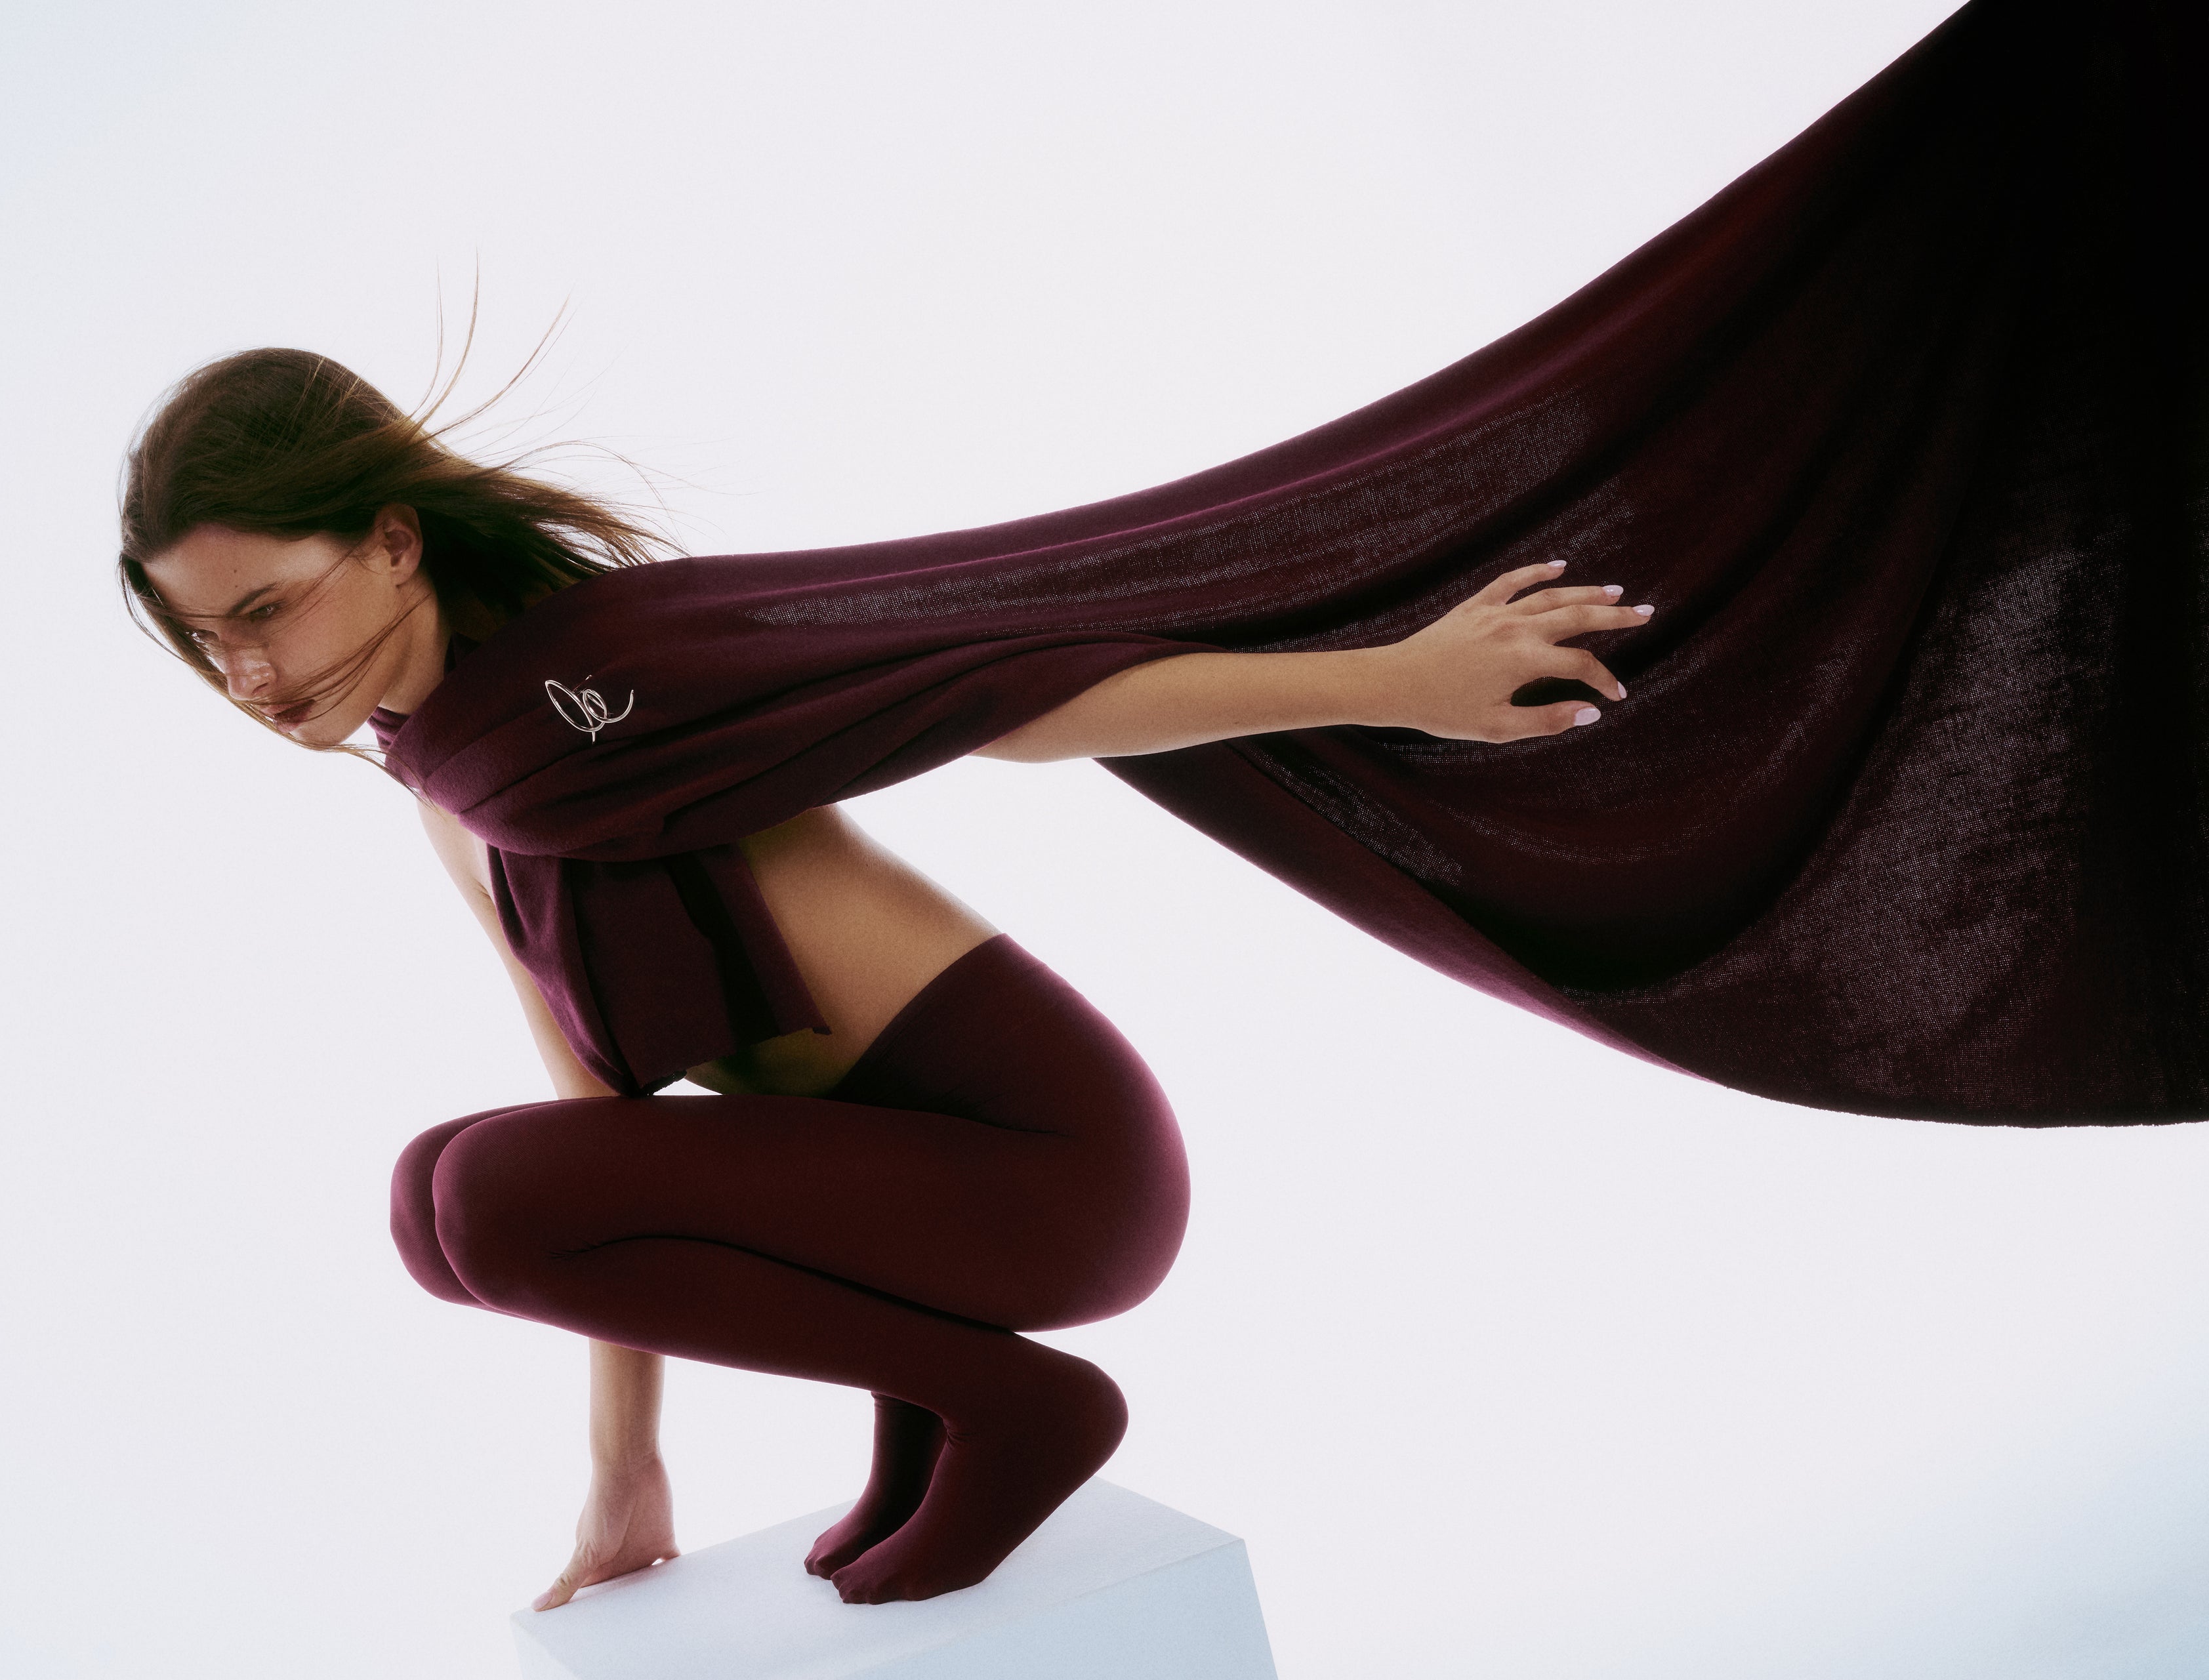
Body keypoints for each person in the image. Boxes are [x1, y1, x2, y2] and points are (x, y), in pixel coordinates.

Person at [117, 347, 1646, 1608]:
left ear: (393, 542)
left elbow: (996, 696)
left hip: (1059, 1172)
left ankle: (1014, 1405)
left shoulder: (593, 680)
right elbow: (594, 1111)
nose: (248, 678)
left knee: (481, 1198)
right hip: (904, 1190)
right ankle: (931, 1400)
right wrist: (625, 1469)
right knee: (439, 1199)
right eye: (206, 639)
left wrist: (1397, 683)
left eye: (267, 610)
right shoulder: (455, 779)